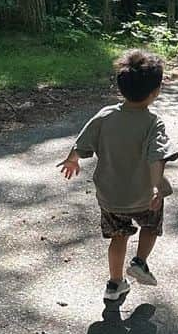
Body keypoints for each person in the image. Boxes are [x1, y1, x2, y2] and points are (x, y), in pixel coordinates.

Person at [59, 49, 171, 301]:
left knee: (118, 236)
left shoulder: (106, 115)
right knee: (151, 225)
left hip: (110, 197)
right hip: (143, 196)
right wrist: (156, 187)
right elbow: (157, 156)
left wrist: (72, 159)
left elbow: (82, 142)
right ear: (155, 91)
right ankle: (140, 262)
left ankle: (114, 284)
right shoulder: (153, 122)